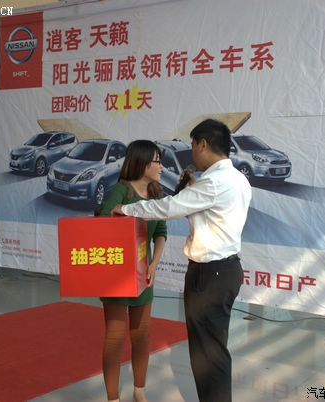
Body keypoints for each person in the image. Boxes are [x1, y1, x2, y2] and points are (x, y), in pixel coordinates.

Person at [111, 119, 252, 402]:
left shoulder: (213, 183)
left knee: (207, 353)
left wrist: (125, 209)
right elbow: (206, 209)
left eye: (193, 145)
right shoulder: (238, 179)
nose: (192, 153)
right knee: (213, 348)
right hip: (226, 270)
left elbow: (169, 207)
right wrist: (193, 189)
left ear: (203, 144)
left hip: (209, 275)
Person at [98, 139, 167, 402]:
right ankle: (112, 397)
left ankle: (139, 390)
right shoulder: (122, 190)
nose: (162, 166)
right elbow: (104, 220)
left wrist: (154, 264)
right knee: (114, 338)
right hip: (116, 275)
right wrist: (121, 212)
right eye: (157, 161)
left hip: (143, 275)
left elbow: (160, 232)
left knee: (142, 336)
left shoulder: (157, 194)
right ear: (142, 163)